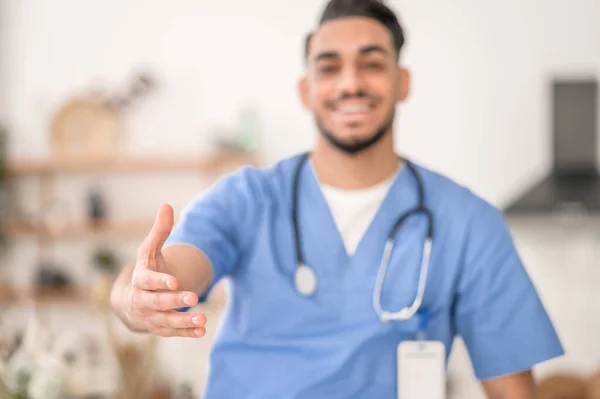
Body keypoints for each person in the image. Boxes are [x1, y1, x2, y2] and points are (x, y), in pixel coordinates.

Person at [110, 0, 564, 397]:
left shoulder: (468, 223)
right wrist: (138, 293)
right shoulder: (246, 199)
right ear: (307, 91)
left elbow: (511, 390)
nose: (350, 83)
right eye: (329, 66)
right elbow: (174, 270)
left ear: (402, 82)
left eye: (371, 63)